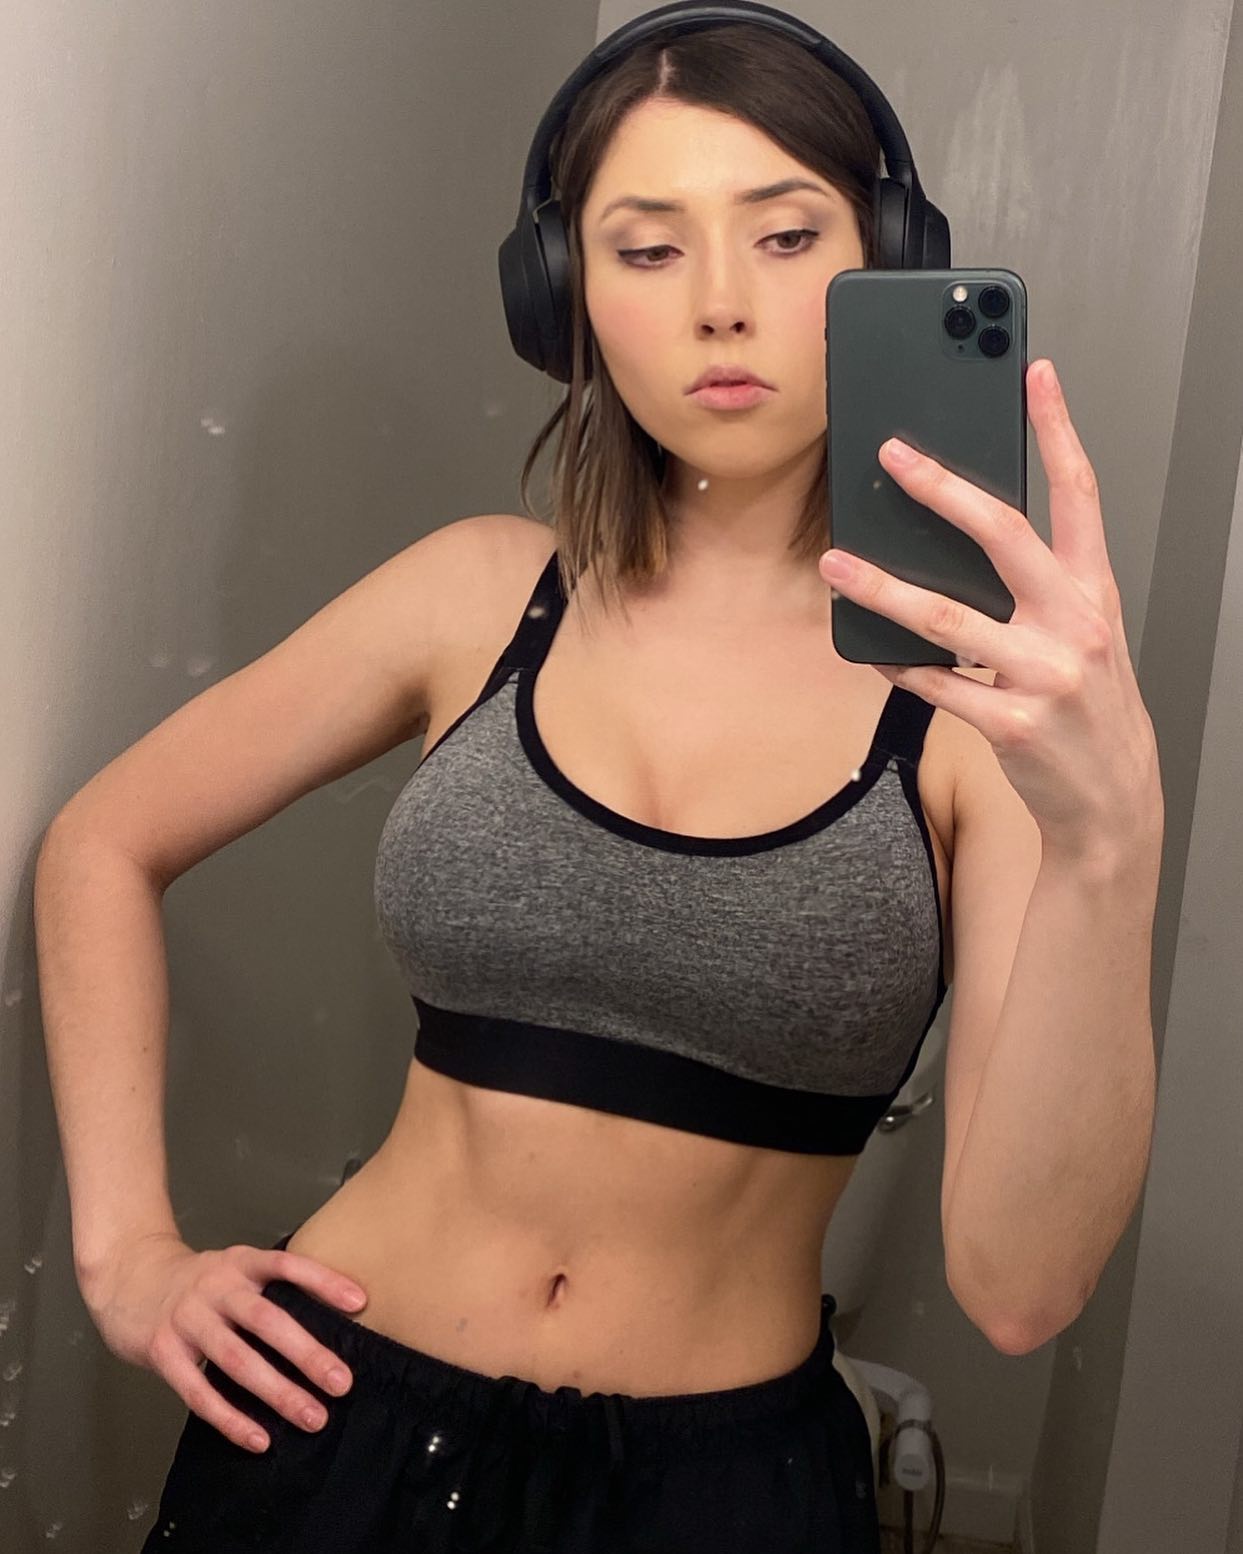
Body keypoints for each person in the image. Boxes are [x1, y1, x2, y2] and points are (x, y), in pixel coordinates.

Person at [38, 16, 1024, 1554]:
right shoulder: (475, 594)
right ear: (562, 295)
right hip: (332, 1425)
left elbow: (1026, 1282)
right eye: (647, 248)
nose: (719, 302)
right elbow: (102, 837)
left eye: (784, 235)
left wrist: (1114, 812)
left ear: (887, 263)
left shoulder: (972, 699)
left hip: (719, 1496)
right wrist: (127, 1257)